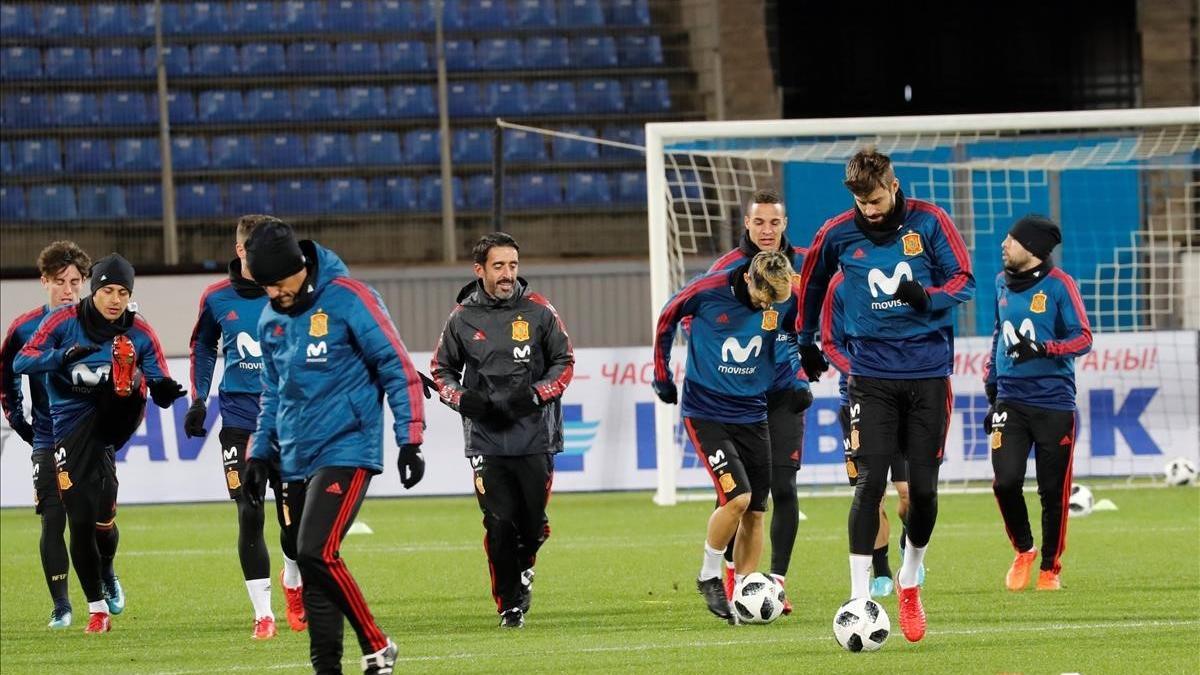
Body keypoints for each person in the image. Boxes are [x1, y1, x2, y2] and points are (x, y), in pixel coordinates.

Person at [795, 149, 974, 642]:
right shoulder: (837, 233)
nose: (869, 210)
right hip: (869, 374)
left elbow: (964, 281)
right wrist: (803, 338)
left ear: (893, 187)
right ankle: (859, 599)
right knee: (869, 483)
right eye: (860, 201)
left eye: (874, 199)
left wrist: (928, 297)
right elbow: (810, 285)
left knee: (923, 493)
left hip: (927, 373)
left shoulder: (931, 222)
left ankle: (911, 575)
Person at [239, 221, 426, 674]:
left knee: (315, 552)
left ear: (298, 268)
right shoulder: (270, 319)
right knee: (315, 564)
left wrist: (410, 439)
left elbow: (396, 366)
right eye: (264, 287)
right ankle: (328, 669)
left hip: (350, 445)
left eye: (278, 284)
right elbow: (273, 392)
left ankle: (378, 645)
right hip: (298, 457)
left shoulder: (350, 299)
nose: (273, 295)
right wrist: (259, 453)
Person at [15, 253, 186, 634]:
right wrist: (60, 357)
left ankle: (127, 384)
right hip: (69, 424)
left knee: (131, 387)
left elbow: (162, 377)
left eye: (123, 292)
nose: (115, 299)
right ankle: (96, 608)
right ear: (94, 291)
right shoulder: (62, 322)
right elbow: (21, 363)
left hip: (111, 420)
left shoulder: (139, 330)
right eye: (108, 290)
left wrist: (162, 392)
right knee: (85, 521)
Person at [430, 232, 574, 630]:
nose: (508, 274)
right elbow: (440, 371)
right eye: (499, 266)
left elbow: (564, 362)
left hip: (535, 435)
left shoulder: (541, 312)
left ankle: (525, 563)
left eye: (512, 265)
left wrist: (537, 394)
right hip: (486, 438)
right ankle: (510, 604)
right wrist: (462, 399)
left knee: (531, 525)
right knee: (497, 522)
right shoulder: (461, 317)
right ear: (480, 270)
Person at [653, 250, 804, 624]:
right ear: (750, 279)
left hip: (754, 412)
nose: (770, 304)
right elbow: (667, 319)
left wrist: (800, 367)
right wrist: (662, 374)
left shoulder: (786, 295)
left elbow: (788, 334)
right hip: (706, 413)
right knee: (738, 498)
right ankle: (708, 574)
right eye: (764, 296)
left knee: (756, 511)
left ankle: (745, 591)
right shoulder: (706, 291)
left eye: (776, 299)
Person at [184, 215, 306, 640]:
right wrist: (198, 398)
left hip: (289, 422)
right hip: (238, 420)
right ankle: (263, 614)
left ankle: (293, 579)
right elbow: (202, 345)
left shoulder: (296, 292)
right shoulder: (217, 297)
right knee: (248, 512)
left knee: (294, 523)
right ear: (241, 251)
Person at [704, 190, 812, 611]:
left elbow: (821, 314)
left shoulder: (804, 267)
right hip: (737, 396)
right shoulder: (726, 269)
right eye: (759, 222)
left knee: (783, 484)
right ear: (746, 225)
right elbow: (700, 322)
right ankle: (735, 578)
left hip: (786, 393)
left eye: (775, 222)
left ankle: (776, 583)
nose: (767, 230)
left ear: (784, 225)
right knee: (737, 493)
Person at [983, 215, 1091, 592]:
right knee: (1005, 482)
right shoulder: (1000, 283)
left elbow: (1084, 338)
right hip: (1011, 400)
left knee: (1052, 491)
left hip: (1054, 403)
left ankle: (1049, 567)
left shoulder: (1060, 285)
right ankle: (1024, 549)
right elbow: (999, 334)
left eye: (1011, 240)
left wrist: (1045, 349)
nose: (1004, 245)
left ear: (1031, 249)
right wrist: (992, 389)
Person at [1, 241, 91, 628]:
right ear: (44, 282)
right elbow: (7, 377)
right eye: (59, 281)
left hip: (89, 438)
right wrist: (19, 422)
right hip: (47, 437)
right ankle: (61, 606)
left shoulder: (97, 323)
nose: (68, 289)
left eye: (75, 281)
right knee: (52, 520)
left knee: (95, 518)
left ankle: (106, 578)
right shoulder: (23, 328)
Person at [820, 270, 920, 598]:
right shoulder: (841, 292)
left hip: (901, 404)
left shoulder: (901, 294)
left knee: (908, 492)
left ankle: (910, 541)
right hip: (857, 406)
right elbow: (830, 344)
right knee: (871, 493)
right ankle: (881, 572)